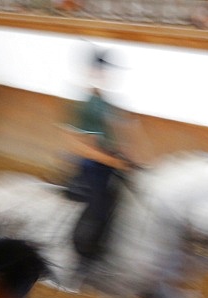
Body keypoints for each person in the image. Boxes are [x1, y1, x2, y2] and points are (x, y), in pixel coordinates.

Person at [61, 48, 145, 282]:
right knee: (102, 203)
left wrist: (132, 160)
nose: (108, 75)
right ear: (94, 71)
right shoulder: (85, 103)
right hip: (91, 165)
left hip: (113, 161)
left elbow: (117, 137)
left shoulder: (107, 103)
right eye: (104, 70)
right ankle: (82, 259)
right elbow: (77, 143)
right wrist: (112, 160)